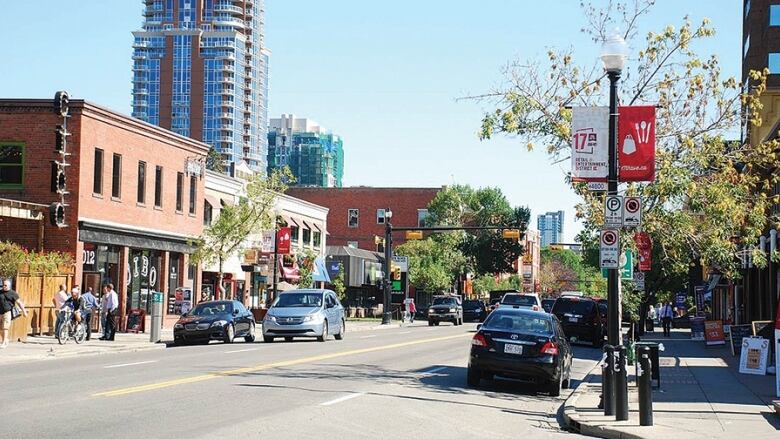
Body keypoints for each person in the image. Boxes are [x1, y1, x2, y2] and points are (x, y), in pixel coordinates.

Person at [0, 278, 28, 348]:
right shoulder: (0, 292)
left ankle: (3, 342)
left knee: (5, 327)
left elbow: (19, 302)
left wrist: (24, 311)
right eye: (3, 285)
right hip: (0, 312)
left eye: (5, 285)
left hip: (7, 312)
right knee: (1, 328)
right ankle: (5, 339)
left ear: (9, 286)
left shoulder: (13, 293)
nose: (4, 286)